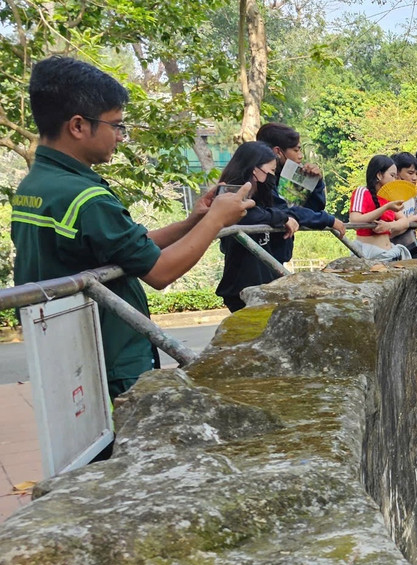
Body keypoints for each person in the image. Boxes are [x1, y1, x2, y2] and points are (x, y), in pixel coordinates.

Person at [12, 55, 252, 398]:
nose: (121, 137)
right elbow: (159, 272)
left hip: (68, 353)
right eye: (116, 125)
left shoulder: (36, 185)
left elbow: (122, 247)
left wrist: (194, 221)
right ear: (78, 126)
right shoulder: (86, 198)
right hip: (109, 360)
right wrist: (217, 220)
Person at [214, 142, 301, 312]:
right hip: (242, 287)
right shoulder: (231, 192)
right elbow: (246, 215)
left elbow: (290, 210)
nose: (272, 176)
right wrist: (281, 218)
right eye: (270, 171)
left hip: (265, 282)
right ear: (255, 169)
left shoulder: (262, 195)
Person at [255, 122, 345, 238]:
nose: (301, 156)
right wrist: (328, 219)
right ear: (278, 152)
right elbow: (285, 210)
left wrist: (315, 183)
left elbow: (311, 211)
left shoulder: (285, 177)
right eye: (296, 150)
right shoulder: (261, 180)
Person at [348, 155, 417, 261]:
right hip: (369, 253)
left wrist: (389, 226)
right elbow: (354, 220)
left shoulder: (388, 196)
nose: (394, 180)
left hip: (390, 252)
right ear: (379, 175)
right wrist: (385, 208)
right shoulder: (362, 191)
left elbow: (404, 221)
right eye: (392, 175)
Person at [390, 151, 417, 256]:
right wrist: (411, 220)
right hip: (392, 253)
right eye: (410, 173)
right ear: (396, 173)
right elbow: (386, 232)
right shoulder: (385, 197)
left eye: (416, 174)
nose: (415, 178)